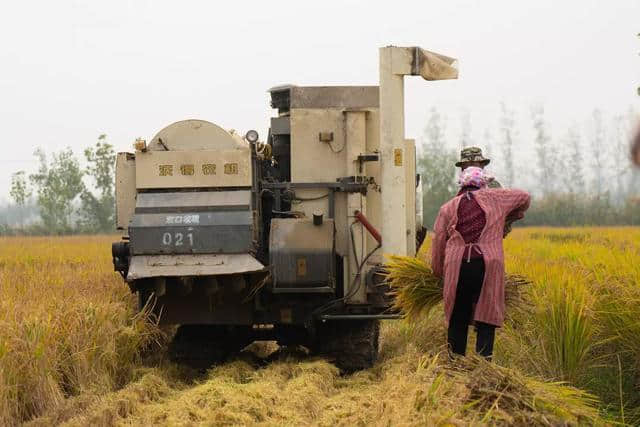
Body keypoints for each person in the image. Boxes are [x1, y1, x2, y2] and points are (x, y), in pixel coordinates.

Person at [431, 166, 530, 359]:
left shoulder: (448, 207)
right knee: (487, 314)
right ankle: (483, 366)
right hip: (488, 264)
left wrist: (437, 271)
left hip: (456, 266)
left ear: (462, 185)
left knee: (457, 315)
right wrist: (511, 214)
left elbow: (438, 242)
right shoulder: (495, 198)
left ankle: (455, 363)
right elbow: (524, 196)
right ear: (483, 183)